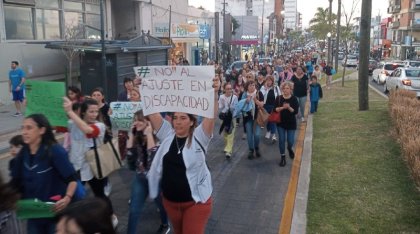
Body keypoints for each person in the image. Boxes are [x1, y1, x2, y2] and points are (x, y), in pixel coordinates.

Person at [146, 76, 220, 234]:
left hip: (196, 202)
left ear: (192, 121)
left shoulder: (200, 136)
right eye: (175, 118)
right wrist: (144, 90)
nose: (177, 122)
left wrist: (214, 94)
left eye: (183, 118)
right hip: (170, 202)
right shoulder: (167, 134)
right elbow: (153, 113)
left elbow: (211, 117)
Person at [9, 114, 78, 234]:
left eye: (29, 128)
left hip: (54, 213)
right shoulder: (23, 153)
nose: (24, 132)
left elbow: (72, 179)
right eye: (23, 128)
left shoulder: (55, 151)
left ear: (42, 130)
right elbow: (15, 181)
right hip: (32, 213)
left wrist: (67, 198)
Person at [63, 97, 118, 227]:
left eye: (96, 111)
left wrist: (70, 112)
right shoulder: (72, 124)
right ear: (83, 112)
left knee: (100, 195)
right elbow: (54, 125)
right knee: (73, 196)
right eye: (91, 111)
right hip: (76, 167)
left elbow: (88, 131)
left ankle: (110, 216)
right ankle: (75, 223)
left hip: (94, 167)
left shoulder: (100, 126)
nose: (94, 114)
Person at [126, 110, 169, 234]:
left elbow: (152, 163)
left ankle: (165, 224)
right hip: (140, 178)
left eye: (139, 120)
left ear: (148, 122)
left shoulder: (160, 138)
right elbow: (130, 162)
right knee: (134, 210)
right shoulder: (137, 136)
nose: (136, 123)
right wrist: (130, 135)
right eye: (135, 120)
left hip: (157, 180)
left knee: (161, 206)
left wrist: (149, 134)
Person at [91, 88, 113, 196]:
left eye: (98, 95)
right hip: (93, 139)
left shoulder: (107, 108)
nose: (96, 97)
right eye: (94, 95)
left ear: (102, 97)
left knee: (102, 164)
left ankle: (106, 183)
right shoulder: (89, 108)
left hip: (105, 138)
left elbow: (113, 122)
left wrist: (111, 115)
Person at [274, 82, 299, 167]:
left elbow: (295, 111)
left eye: (287, 88)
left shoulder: (294, 99)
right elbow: (275, 110)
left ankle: (289, 148)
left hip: (291, 123)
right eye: (284, 88)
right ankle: (283, 157)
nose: (285, 90)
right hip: (281, 123)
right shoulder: (279, 98)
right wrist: (282, 107)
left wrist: (288, 107)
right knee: (281, 140)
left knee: (290, 141)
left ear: (291, 89)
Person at [239, 80, 264, 159]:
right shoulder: (244, 94)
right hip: (247, 118)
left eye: (253, 85)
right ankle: (251, 150)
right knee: (249, 135)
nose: (252, 87)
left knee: (257, 135)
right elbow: (240, 107)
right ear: (247, 87)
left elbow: (262, 105)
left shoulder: (259, 93)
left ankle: (256, 147)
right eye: (250, 85)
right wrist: (246, 101)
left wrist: (255, 100)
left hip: (257, 118)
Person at [218, 82, 238, 159]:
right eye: (228, 89)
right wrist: (226, 108)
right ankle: (227, 146)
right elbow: (220, 107)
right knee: (225, 133)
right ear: (224, 89)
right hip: (224, 117)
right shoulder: (221, 97)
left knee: (231, 134)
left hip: (232, 118)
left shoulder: (234, 97)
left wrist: (233, 114)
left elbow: (236, 108)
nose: (229, 90)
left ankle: (228, 151)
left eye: (230, 88)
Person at [261, 75, 280, 142]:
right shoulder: (263, 88)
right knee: (269, 120)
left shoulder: (276, 88)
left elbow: (279, 96)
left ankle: (273, 134)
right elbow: (261, 96)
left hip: (274, 106)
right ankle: (268, 131)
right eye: (267, 80)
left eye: (270, 80)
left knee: (273, 120)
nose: (269, 82)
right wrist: (266, 89)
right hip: (266, 106)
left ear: (272, 81)